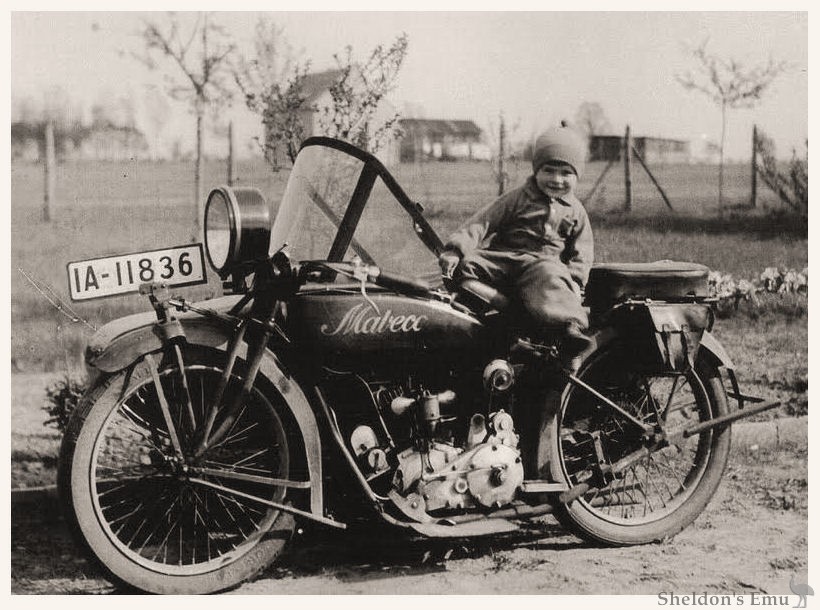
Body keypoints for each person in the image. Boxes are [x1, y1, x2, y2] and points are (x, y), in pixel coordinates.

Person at [439, 124, 594, 366]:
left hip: (541, 264)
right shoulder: (518, 198)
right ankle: (473, 312)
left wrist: (576, 280)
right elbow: (483, 222)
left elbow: (581, 250)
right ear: (536, 170)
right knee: (468, 264)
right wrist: (455, 250)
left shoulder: (575, 211)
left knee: (553, 276)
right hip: (505, 258)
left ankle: (569, 330)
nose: (556, 180)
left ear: (577, 176)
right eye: (549, 170)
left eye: (566, 173)